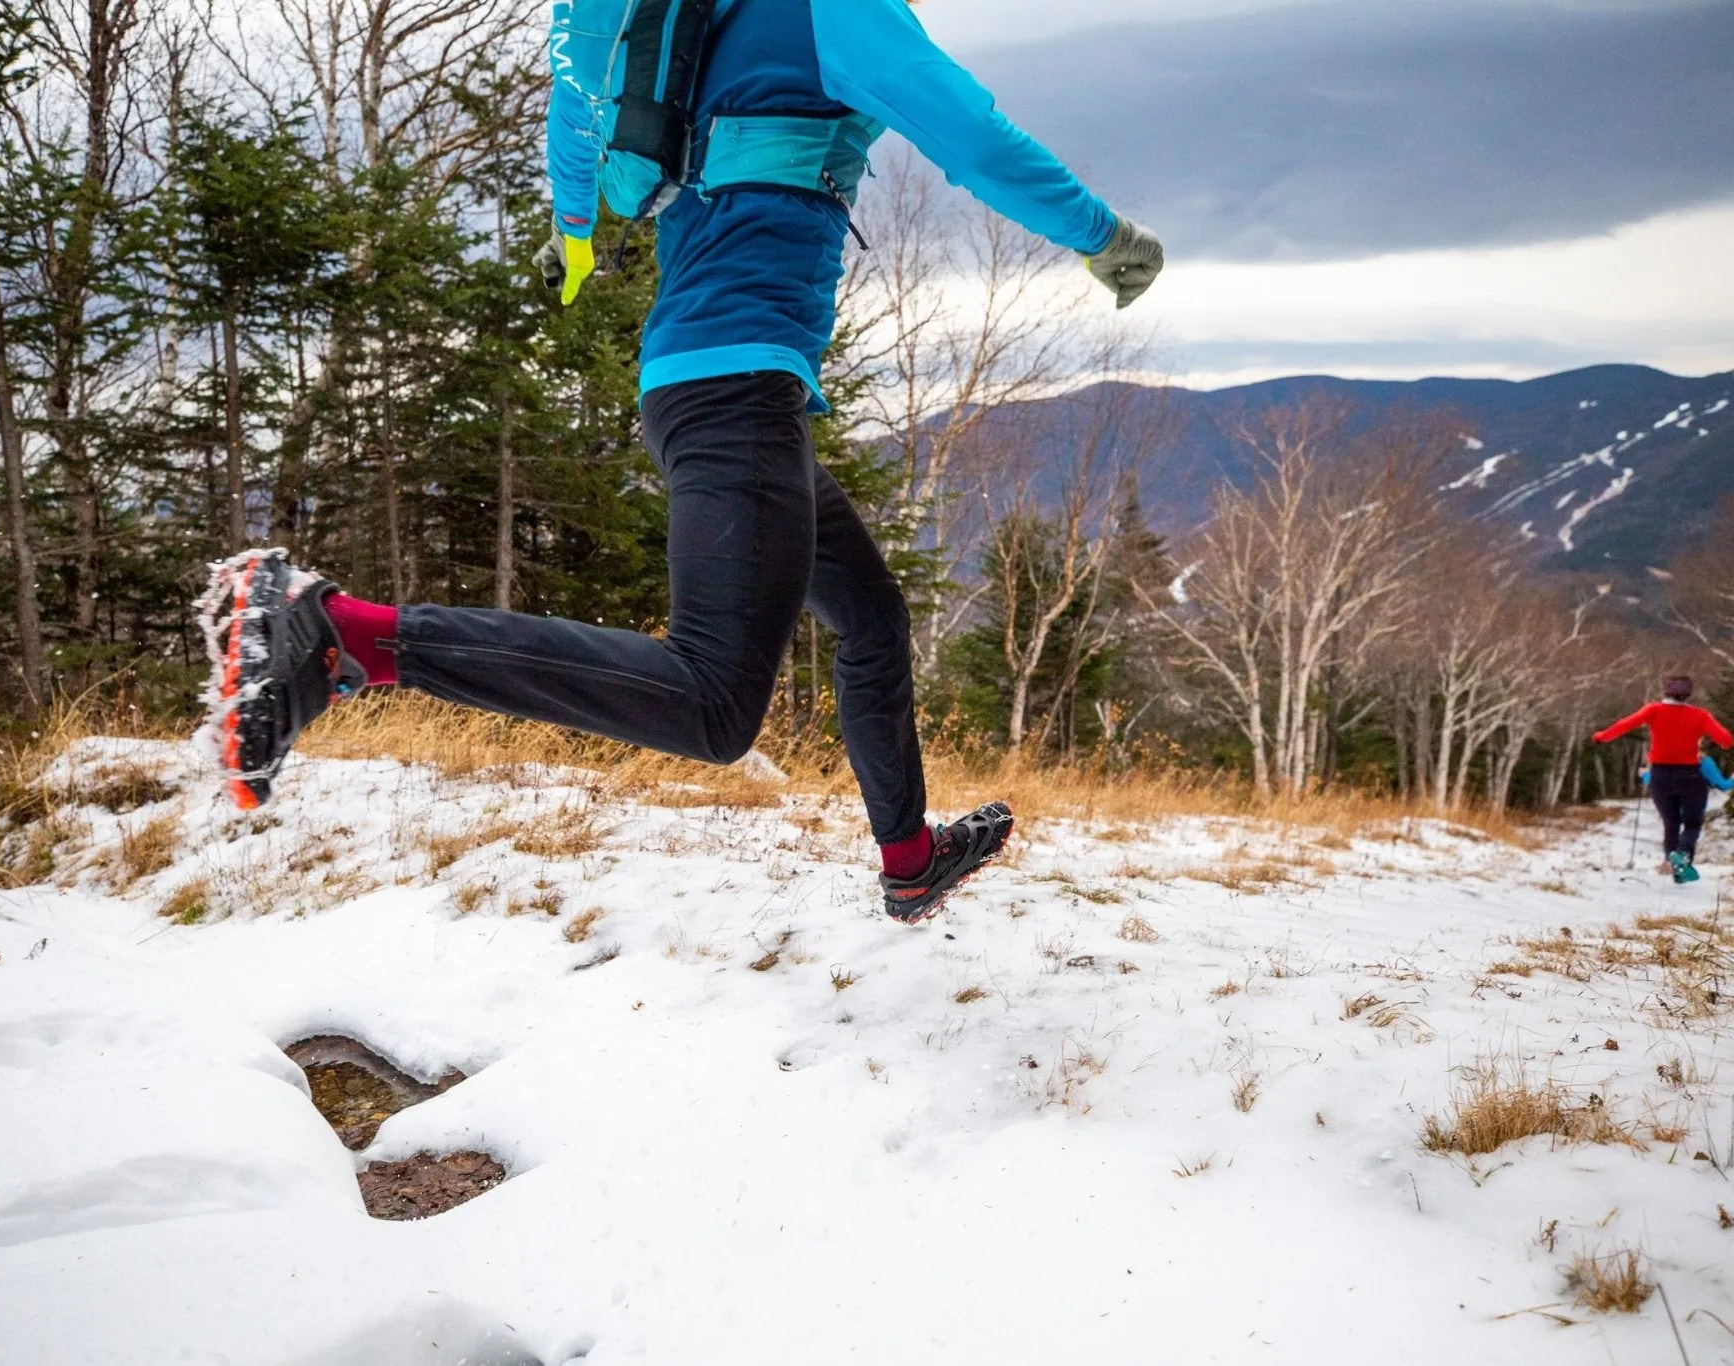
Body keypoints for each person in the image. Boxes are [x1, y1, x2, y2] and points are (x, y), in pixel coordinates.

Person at [199, 0, 1163, 924]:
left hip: (711, 388)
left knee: (871, 617)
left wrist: (573, 234)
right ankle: (343, 634)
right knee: (712, 705)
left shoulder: (710, 18)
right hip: (736, 393)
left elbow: (578, 116)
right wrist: (1103, 236)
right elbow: (975, 139)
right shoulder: (836, 8)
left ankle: (910, 862)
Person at [1593, 675, 1734, 883]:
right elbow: (1726, 740)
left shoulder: (1653, 710)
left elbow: (1625, 724)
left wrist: (1601, 736)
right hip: (1690, 775)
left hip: (1660, 775)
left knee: (1671, 822)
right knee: (1692, 823)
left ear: (1666, 692)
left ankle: (1673, 862)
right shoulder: (1700, 715)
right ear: (1688, 694)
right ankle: (1683, 860)